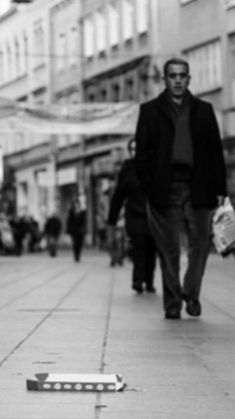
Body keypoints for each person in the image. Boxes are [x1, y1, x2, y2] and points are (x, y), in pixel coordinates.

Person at [134, 57, 227, 319]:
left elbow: (215, 152)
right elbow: (142, 154)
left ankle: (191, 292)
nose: (177, 80)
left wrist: (220, 189)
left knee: (200, 245)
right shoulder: (150, 111)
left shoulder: (204, 110)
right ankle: (173, 303)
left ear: (189, 79)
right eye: (172, 76)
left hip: (198, 188)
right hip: (164, 189)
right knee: (169, 250)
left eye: (182, 75)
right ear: (164, 80)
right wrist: (149, 186)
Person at [108, 138, 157, 293]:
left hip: (152, 215)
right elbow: (119, 194)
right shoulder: (128, 168)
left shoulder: (154, 165)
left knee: (151, 249)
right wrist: (112, 218)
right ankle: (138, 281)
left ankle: (149, 281)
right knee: (139, 248)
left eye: (138, 148)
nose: (136, 152)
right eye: (133, 149)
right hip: (135, 216)